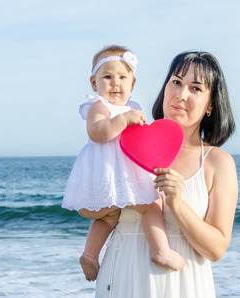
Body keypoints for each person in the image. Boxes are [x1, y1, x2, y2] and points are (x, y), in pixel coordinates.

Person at [95, 50, 238, 298]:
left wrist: (177, 203)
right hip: (121, 277)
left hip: (183, 286)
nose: (181, 95)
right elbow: (90, 209)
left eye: (195, 88)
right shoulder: (129, 140)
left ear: (210, 105)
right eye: (176, 82)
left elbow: (216, 249)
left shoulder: (217, 162)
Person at [62, 45, 186, 282]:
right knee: (150, 205)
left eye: (122, 77)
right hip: (106, 175)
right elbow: (98, 132)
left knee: (112, 216)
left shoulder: (132, 109)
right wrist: (122, 119)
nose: (115, 83)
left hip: (123, 173)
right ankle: (160, 251)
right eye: (107, 77)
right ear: (93, 82)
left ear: (133, 83)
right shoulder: (99, 106)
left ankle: (89, 255)